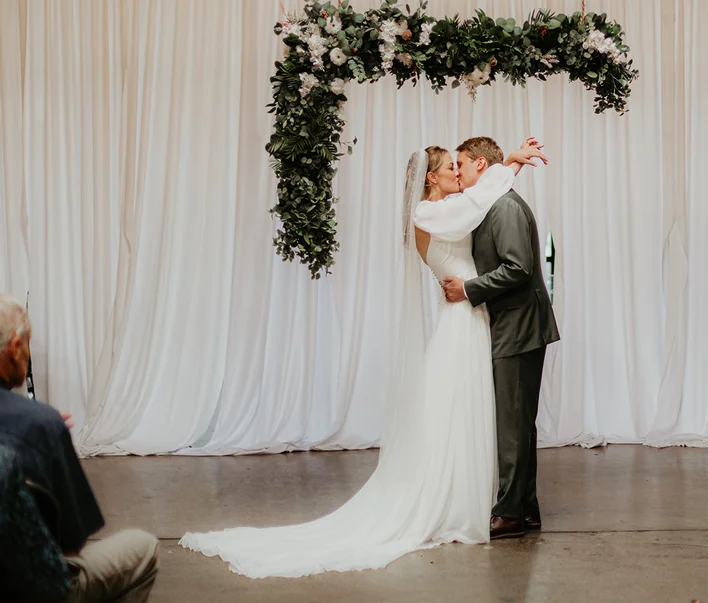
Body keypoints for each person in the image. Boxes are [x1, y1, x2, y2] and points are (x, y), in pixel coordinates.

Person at [180, 139, 547, 577]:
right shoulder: (429, 213)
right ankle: (467, 500)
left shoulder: (458, 205)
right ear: (430, 178)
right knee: (474, 414)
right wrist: (506, 166)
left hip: (476, 316)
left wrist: (506, 165)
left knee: (492, 416)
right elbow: (479, 199)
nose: (457, 171)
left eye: (461, 165)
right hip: (464, 319)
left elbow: (480, 196)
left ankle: (506, 503)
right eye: (451, 166)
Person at [0, 294, 159, 602]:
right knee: (143, 547)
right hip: (31, 588)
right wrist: (43, 427)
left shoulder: (39, 424)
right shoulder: (42, 426)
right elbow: (72, 543)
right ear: (14, 348)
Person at [442, 136, 560, 539]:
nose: (456, 172)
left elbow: (519, 268)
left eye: (460, 163)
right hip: (517, 324)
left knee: (512, 423)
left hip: (520, 326)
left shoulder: (505, 207)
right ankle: (525, 509)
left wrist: (468, 289)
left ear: (479, 164)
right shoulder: (492, 202)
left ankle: (508, 513)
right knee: (519, 421)